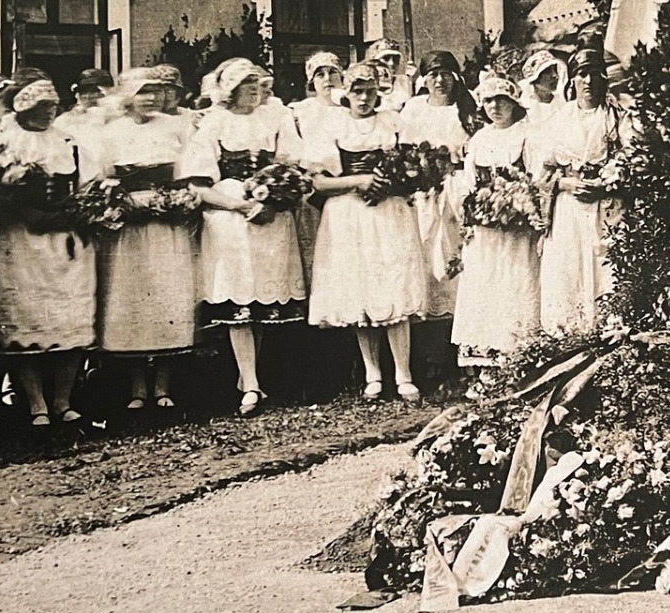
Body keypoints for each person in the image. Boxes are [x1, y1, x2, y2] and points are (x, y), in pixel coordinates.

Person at [185, 58, 308, 416]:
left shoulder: (276, 117)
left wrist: (277, 197)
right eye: (245, 84)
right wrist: (241, 205)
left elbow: (292, 166)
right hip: (230, 218)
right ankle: (251, 383)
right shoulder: (213, 122)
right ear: (230, 89)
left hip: (271, 216)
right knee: (239, 301)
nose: (253, 90)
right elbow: (198, 185)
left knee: (261, 301)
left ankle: (249, 376)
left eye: (257, 83)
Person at [305, 62, 428, 401]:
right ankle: (372, 373)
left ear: (379, 92)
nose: (363, 98)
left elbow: (416, 170)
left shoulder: (393, 122)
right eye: (356, 91)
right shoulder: (333, 124)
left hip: (388, 212)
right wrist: (358, 180)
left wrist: (394, 183)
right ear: (345, 92)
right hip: (348, 214)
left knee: (393, 282)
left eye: (369, 91)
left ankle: (403, 373)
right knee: (361, 286)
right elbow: (318, 182)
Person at [0, 78, 100, 427]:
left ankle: (63, 400)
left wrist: (73, 212)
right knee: (27, 318)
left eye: (52, 106)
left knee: (70, 318)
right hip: (22, 240)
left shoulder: (68, 142)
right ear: (23, 109)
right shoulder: (4, 142)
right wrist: (22, 211)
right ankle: (36, 402)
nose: (48, 112)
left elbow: (89, 186)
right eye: (40, 107)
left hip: (64, 240)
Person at [95, 67, 200, 410]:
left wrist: (177, 201)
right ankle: (137, 387)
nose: (152, 98)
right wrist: (123, 203)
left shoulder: (176, 127)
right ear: (128, 96)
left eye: (155, 91)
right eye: (143, 91)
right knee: (134, 298)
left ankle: (164, 386)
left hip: (167, 225)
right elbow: (103, 179)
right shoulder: (111, 132)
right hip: (131, 229)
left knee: (168, 298)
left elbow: (188, 173)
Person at [450, 74, 543, 367]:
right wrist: (474, 207)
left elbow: (537, 181)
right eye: (488, 101)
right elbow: (468, 183)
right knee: (486, 284)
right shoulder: (480, 138)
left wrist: (519, 203)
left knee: (515, 282)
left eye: (501, 100)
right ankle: (487, 359)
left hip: (517, 231)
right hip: (485, 231)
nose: (495, 107)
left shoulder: (527, 135)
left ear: (514, 103)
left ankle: (517, 355)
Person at [540, 47, 625, 334]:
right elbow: (541, 173)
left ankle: (605, 333)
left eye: (595, 74)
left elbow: (633, 160)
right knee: (569, 267)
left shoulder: (616, 117)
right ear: (572, 80)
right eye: (582, 74)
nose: (589, 81)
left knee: (604, 266)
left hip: (606, 206)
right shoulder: (559, 120)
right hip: (569, 208)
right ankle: (568, 335)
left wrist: (604, 185)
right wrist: (564, 183)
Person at [399, 50, 475, 332]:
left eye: (445, 74)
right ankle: (427, 325)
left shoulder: (466, 107)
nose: (440, 80)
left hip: (457, 187)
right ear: (424, 79)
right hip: (423, 191)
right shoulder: (414, 109)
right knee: (426, 247)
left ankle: (459, 323)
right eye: (433, 74)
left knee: (456, 250)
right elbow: (405, 151)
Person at [291, 51, 348, 141]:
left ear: (341, 77)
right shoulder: (300, 111)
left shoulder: (352, 108)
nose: (327, 78)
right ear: (312, 82)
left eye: (332, 72)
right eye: (320, 75)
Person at [519, 48, 570, 137]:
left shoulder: (563, 103)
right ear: (535, 78)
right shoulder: (524, 106)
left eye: (555, 70)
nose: (555, 76)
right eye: (548, 72)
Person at [56, 68, 114, 141]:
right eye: (84, 92)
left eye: (96, 92)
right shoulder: (65, 121)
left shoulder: (120, 118)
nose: (89, 96)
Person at [368, 39, 415, 114]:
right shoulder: (367, 84)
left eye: (395, 59)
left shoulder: (404, 82)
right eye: (386, 58)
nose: (391, 63)